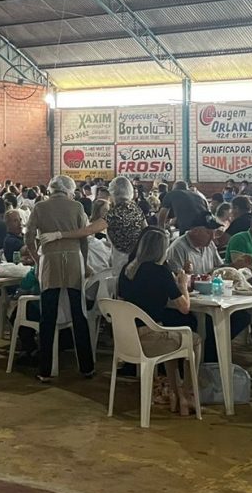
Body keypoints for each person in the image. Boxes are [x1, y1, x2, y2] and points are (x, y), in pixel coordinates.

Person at [115, 227, 200, 415]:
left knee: (171, 333)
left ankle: (176, 395)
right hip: (150, 338)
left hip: (127, 338)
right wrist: (183, 285)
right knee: (194, 339)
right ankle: (188, 393)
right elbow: (184, 307)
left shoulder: (126, 270)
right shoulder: (159, 271)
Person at [23, 175, 95, 384]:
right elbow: (84, 238)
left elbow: (28, 237)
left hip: (49, 261)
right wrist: (85, 262)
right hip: (73, 259)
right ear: (69, 189)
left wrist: (37, 259)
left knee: (48, 316)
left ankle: (45, 369)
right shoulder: (77, 207)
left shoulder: (39, 207)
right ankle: (86, 367)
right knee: (78, 314)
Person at [103, 177, 145, 274]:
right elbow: (146, 230)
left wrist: (63, 234)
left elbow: (90, 230)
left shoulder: (115, 212)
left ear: (113, 193)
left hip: (121, 257)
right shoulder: (136, 209)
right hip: (136, 256)